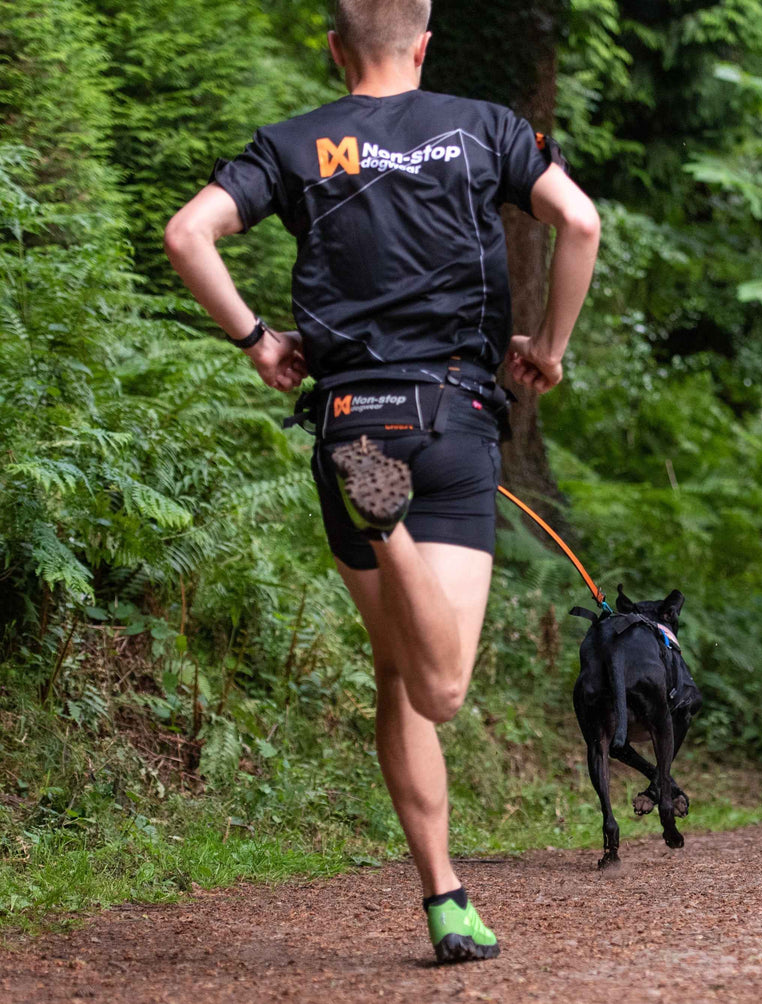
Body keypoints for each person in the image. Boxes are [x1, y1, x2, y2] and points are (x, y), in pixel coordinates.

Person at [163, 0, 599, 964]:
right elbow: (581, 221)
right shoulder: (486, 127)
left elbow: (189, 233)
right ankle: (387, 522)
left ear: (334, 48)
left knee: (400, 672)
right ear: (424, 43)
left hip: (351, 418)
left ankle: (445, 898)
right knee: (440, 690)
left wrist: (255, 341)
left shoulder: (294, 142)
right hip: (451, 418)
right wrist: (551, 352)